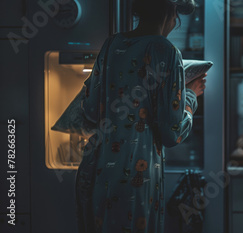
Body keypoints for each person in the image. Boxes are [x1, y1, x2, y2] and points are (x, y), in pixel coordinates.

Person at [74, 0, 205, 232]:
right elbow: (171, 134)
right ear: (170, 11)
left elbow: (90, 110)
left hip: (97, 171)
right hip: (137, 175)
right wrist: (191, 97)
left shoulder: (111, 44)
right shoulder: (165, 50)